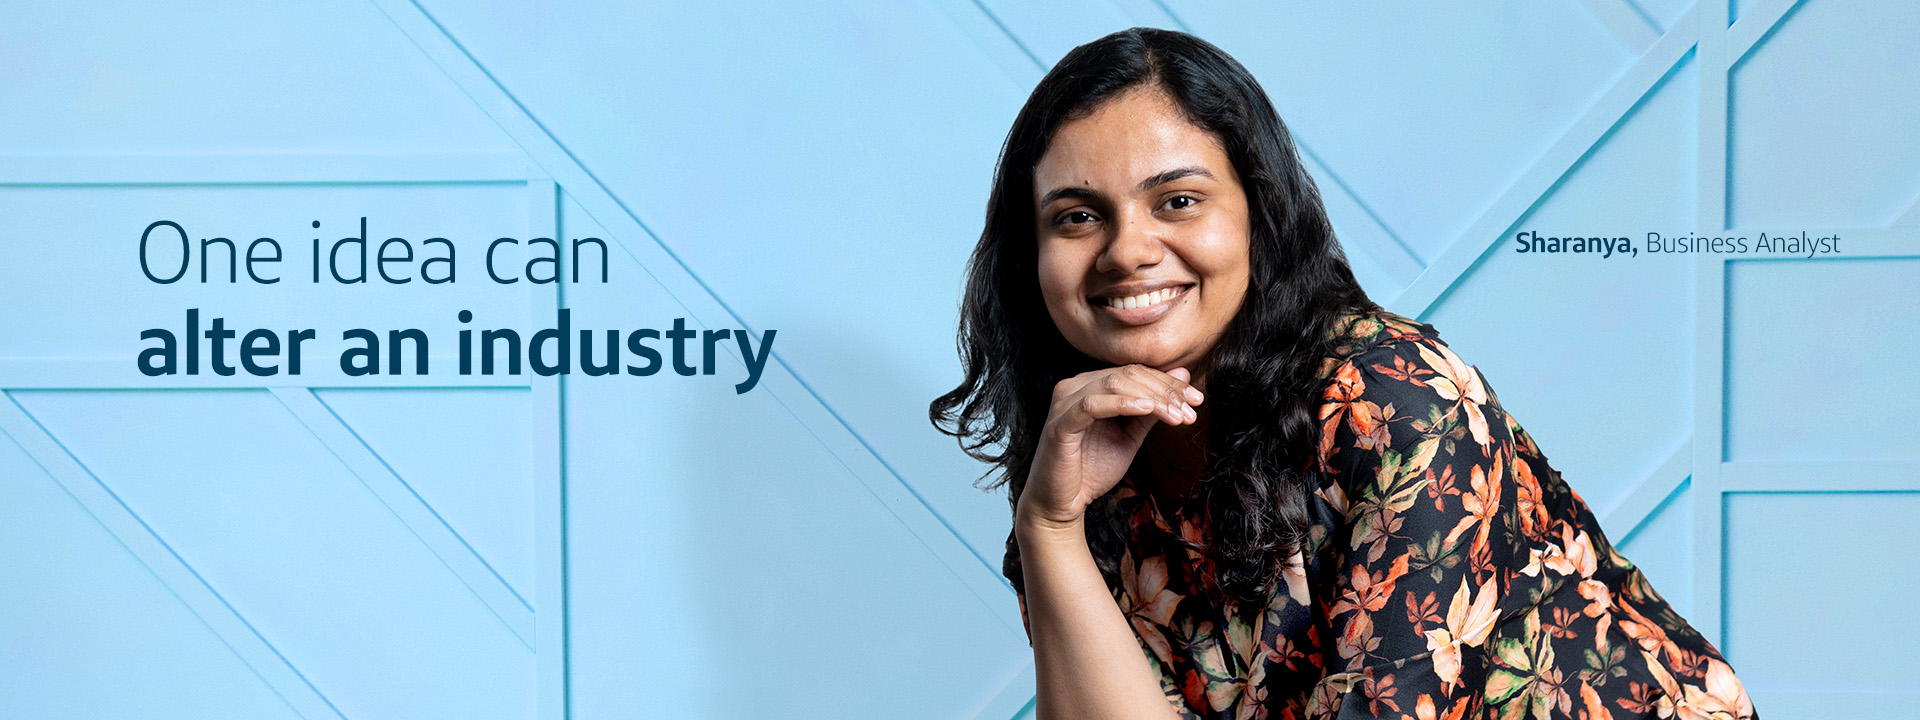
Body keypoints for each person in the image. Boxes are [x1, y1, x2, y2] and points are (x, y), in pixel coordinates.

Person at [930, 27, 1756, 720]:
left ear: (1258, 213)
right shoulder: (1081, 460)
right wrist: (1050, 529)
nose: (1127, 250)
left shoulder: (1395, 402)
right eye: (1077, 216)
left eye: (1177, 200)